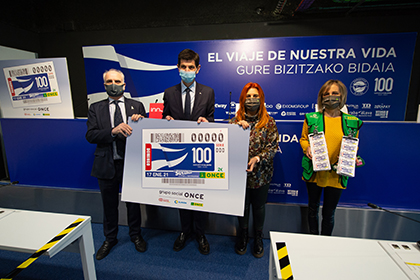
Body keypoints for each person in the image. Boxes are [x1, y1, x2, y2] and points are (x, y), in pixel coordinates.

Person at [86, 69, 147, 260]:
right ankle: (110, 239)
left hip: (131, 166)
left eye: (117, 81)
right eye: (109, 81)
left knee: (133, 204)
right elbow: (90, 135)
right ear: (104, 85)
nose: (114, 84)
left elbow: (145, 136)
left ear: (124, 84)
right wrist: (113, 130)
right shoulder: (95, 108)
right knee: (109, 205)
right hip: (107, 164)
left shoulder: (137, 106)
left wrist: (142, 122)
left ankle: (136, 235)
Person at [162, 49, 215, 255]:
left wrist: (207, 122)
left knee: (200, 196)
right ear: (178, 68)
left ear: (197, 69)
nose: (187, 70)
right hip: (177, 154)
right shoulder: (169, 92)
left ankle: (200, 233)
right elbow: (166, 117)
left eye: (190, 67)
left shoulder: (208, 92)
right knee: (181, 196)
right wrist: (166, 121)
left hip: (200, 154)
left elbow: (211, 118)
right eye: (183, 67)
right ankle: (185, 231)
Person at [299, 79, 363, 236]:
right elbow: (303, 138)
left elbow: (353, 144)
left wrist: (352, 156)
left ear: (342, 96)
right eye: (326, 94)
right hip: (315, 171)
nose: (330, 96)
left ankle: (326, 242)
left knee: (329, 213)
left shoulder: (352, 122)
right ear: (321, 97)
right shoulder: (312, 118)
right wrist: (307, 148)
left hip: (336, 174)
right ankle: (313, 240)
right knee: (312, 209)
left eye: (335, 93)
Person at [229, 82, 279, 258]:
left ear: (261, 99)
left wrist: (257, 158)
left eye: (255, 96)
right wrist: (236, 129)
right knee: (241, 207)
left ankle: (258, 237)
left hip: (261, 174)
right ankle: (242, 236)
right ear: (243, 99)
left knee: (258, 207)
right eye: (248, 96)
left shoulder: (269, 122)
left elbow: (272, 147)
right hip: (240, 174)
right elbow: (226, 146)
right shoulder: (234, 122)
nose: (252, 100)